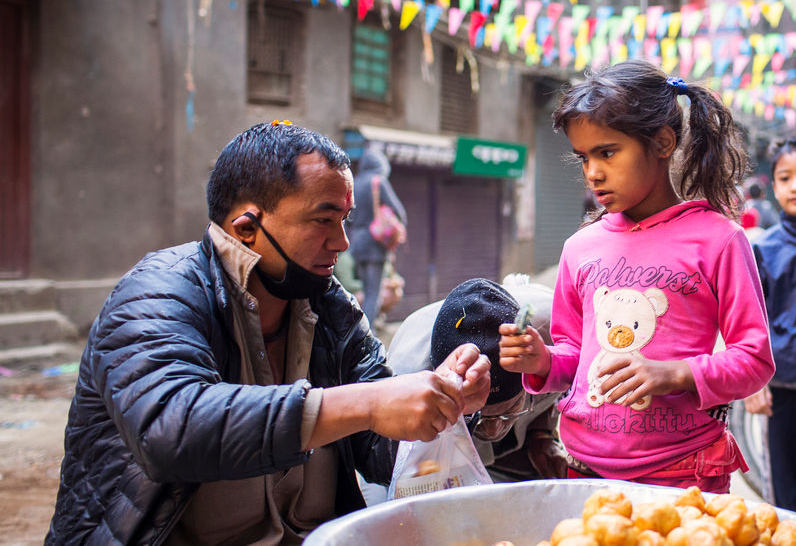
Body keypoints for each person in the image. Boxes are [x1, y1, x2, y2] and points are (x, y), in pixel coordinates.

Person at [47, 121, 490, 545]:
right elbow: (171, 429)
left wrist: (444, 403)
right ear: (246, 228)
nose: (342, 242)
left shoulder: (331, 310)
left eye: (345, 220)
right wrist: (366, 403)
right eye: (323, 220)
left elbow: (378, 450)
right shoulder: (156, 294)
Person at [499, 60, 776, 494]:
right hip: (583, 472)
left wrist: (676, 373)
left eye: (607, 152)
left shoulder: (719, 240)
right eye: (583, 157)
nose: (593, 172)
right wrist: (543, 361)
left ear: (663, 142)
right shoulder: (580, 247)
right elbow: (578, 357)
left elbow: (754, 360)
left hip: (682, 475)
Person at [385, 274, 567, 483]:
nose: (493, 431)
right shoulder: (409, 372)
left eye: (508, 411)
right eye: (482, 417)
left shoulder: (556, 337)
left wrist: (541, 434)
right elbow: (395, 465)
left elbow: (561, 387)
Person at [744, 135, 796, 514]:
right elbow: (748, 323)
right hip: (780, 389)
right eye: (785, 177)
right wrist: (753, 381)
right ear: (774, 184)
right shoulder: (762, 249)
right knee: (785, 497)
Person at [347, 147, 407, 330]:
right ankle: (366, 333)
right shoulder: (378, 182)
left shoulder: (354, 182)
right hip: (375, 244)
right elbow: (399, 212)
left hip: (357, 243)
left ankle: (360, 330)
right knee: (373, 292)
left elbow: (347, 217)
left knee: (365, 290)